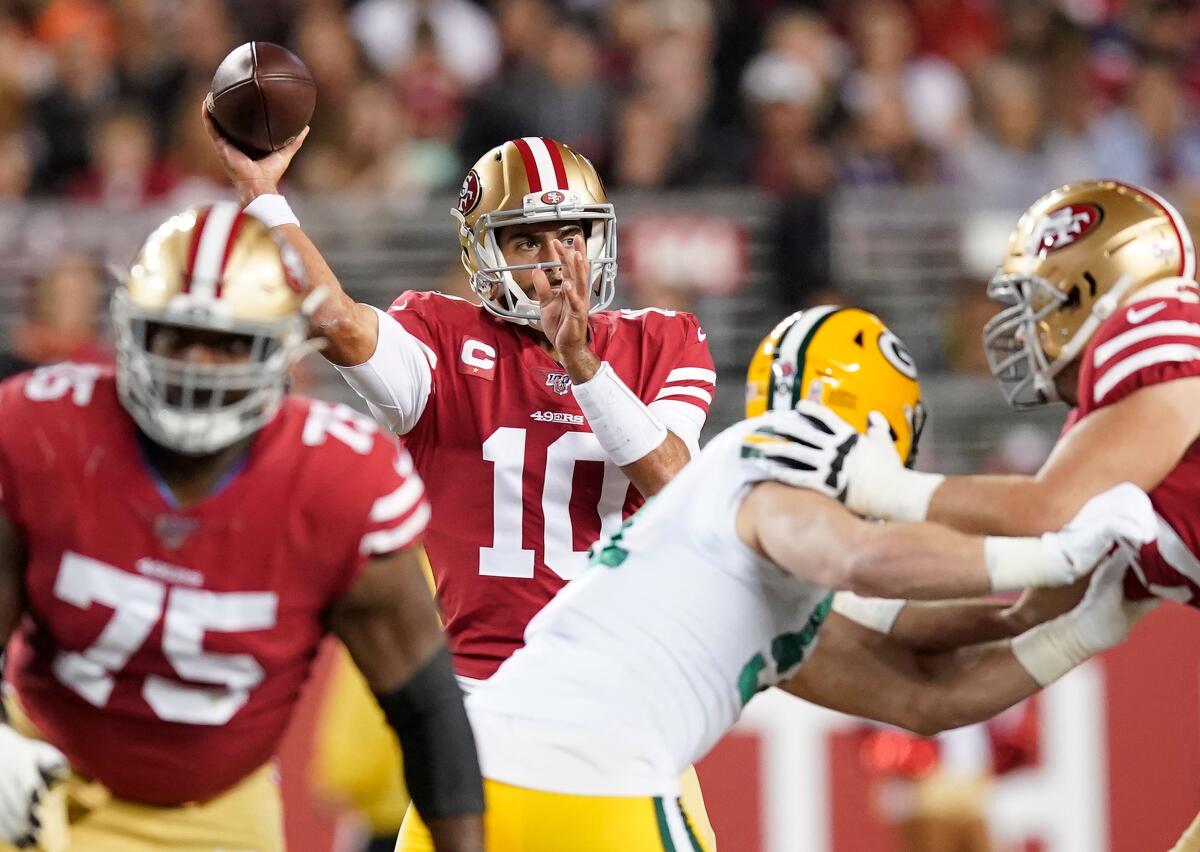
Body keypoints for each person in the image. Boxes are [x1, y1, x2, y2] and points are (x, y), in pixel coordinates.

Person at [201, 106, 719, 848]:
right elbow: (339, 324)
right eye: (527, 238)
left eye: (569, 233)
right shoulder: (442, 339)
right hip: (483, 717)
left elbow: (676, 482)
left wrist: (584, 367)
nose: (553, 258)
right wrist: (263, 199)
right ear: (485, 250)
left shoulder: (662, 339)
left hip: (623, 715)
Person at [460, 305, 1156, 851]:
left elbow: (924, 696)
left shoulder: (746, 542)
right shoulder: (767, 470)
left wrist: (1084, 622)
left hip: (467, 777)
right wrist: (1054, 553)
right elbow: (863, 561)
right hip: (592, 782)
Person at [0, 204, 483, 852]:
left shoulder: (338, 482)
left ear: (279, 350)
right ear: (132, 332)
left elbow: (426, 711)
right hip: (38, 780)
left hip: (217, 811)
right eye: (175, 336)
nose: (198, 365)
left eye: (228, 343)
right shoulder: (43, 434)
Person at [739, 179, 1200, 845]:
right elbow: (999, 632)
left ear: (1095, 287)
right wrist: (1075, 631)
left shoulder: (1156, 323)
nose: (1023, 324)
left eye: (1037, 298)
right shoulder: (1108, 451)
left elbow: (1048, 509)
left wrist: (879, 487)